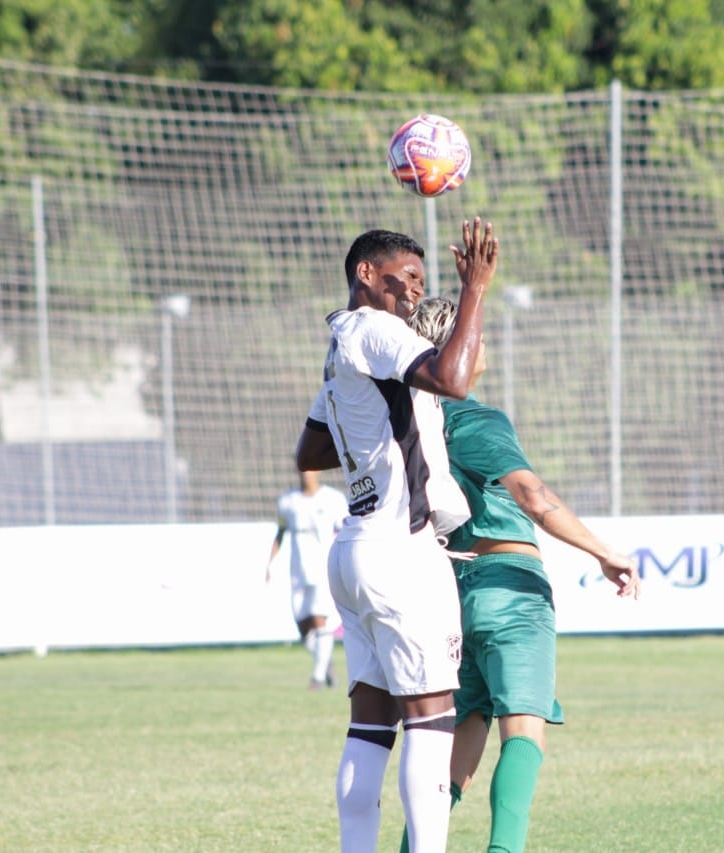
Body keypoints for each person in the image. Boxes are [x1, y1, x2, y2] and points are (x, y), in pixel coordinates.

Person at [403, 296, 639, 853]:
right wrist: (603, 552)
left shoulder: (414, 422)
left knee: (458, 741)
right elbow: (533, 496)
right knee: (523, 728)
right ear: (452, 348)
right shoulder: (475, 417)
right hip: (509, 585)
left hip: (449, 590)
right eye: (474, 334)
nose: (482, 342)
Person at [294, 219, 499, 853]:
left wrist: (371, 434)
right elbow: (456, 379)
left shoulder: (340, 345)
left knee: (371, 729)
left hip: (354, 548)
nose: (415, 290)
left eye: (421, 279)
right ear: (365, 274)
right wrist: (475, 291)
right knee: (431, 724)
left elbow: (308, 447)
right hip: (400, 553)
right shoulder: (378, 329)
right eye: (405, 277)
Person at [267, 469, 348, 689]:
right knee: (303, 627)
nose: (307, 474)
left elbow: (344, 533)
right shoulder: (287, 501)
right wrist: (270, 564)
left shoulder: (333, 499)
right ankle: (325, 661)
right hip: (298, 571)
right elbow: (280, 532)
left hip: (322, 568)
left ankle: (318, 678)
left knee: (320, 620)